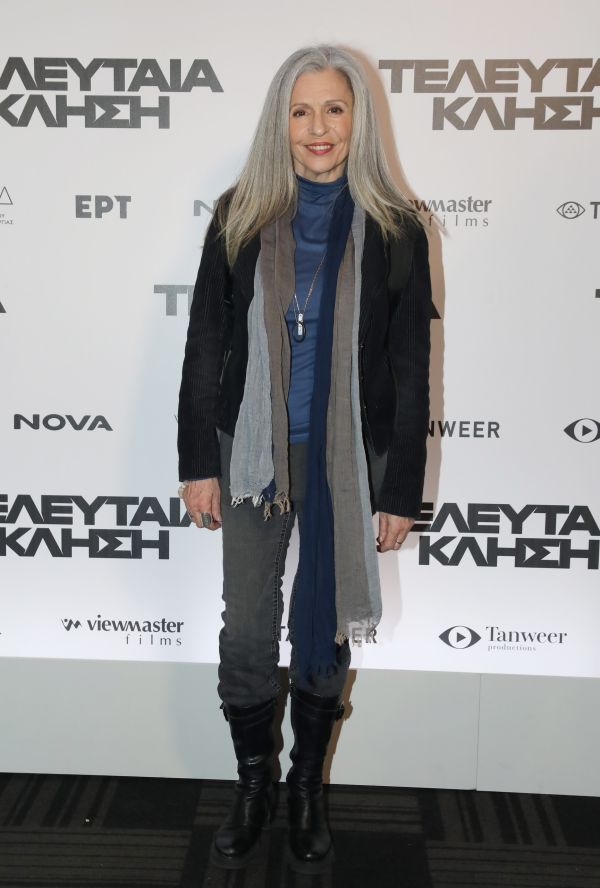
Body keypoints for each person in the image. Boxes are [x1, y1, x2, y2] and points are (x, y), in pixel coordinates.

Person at [177, 44, 432, 873]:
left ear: (358, 121)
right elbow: (206, 342)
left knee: (323, 619)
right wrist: (198, 461)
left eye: (334, 109)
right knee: (249, 628)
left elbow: (409, 365)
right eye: (300, 110)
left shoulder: (396, 227)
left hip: (344, 458)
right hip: (251, 451)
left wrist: (400, 489)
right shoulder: (240, 214)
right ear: (279, 123)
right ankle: (254, 783)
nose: (318, 128)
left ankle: (306, 790)